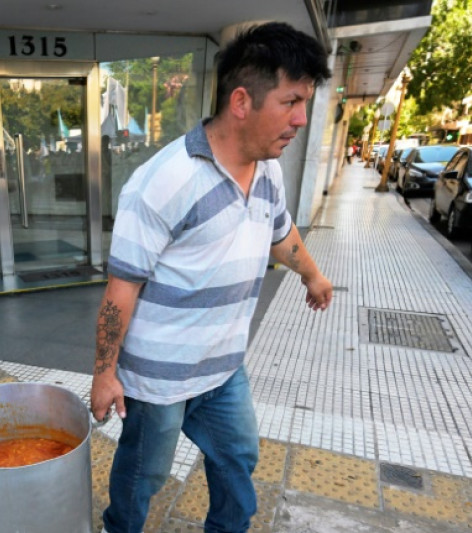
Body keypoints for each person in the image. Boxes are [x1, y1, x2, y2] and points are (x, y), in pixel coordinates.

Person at [90, 22, 334, 533]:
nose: (300, 119)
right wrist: (105, 373)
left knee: (237, 458)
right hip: (158, 379)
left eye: (305, 103)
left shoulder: (268, 170)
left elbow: (281, 233)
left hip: (223, 368)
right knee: (143, 476)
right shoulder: (163, 181)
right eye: (291, 102)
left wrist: (312, 275)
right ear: (241, 101)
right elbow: (121, 289)